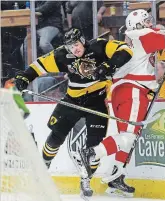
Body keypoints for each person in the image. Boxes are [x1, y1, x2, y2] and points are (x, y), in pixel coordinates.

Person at [78, 7, 165, 197]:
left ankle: (115, 178)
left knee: (127, 138)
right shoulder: (142, 35)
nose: (149, 23)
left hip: (124, 92)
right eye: (146, 21)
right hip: (133, 91)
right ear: (138, 24)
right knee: (129, 137)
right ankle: (92, 153)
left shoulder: (137, 37)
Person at [14, 28, 132, 198]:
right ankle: (43, 168)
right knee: (56, 137)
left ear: (82, 40)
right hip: (72, 101)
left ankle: (86, 180)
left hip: (97, 103)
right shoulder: (62, 55)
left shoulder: (99, 47)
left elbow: (126, 50)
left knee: (94, 147)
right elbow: (39, 65)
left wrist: (109, 65)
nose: (74, 49)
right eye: (70, 47)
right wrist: (25, 77)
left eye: (76, 44)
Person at [20, 1, 63, 65]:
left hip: (52, 25)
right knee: (23, 47)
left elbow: (44, 9)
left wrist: (28, 11)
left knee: (44, 44)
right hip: (39, 27)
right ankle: (30, 68)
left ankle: (56, 64)